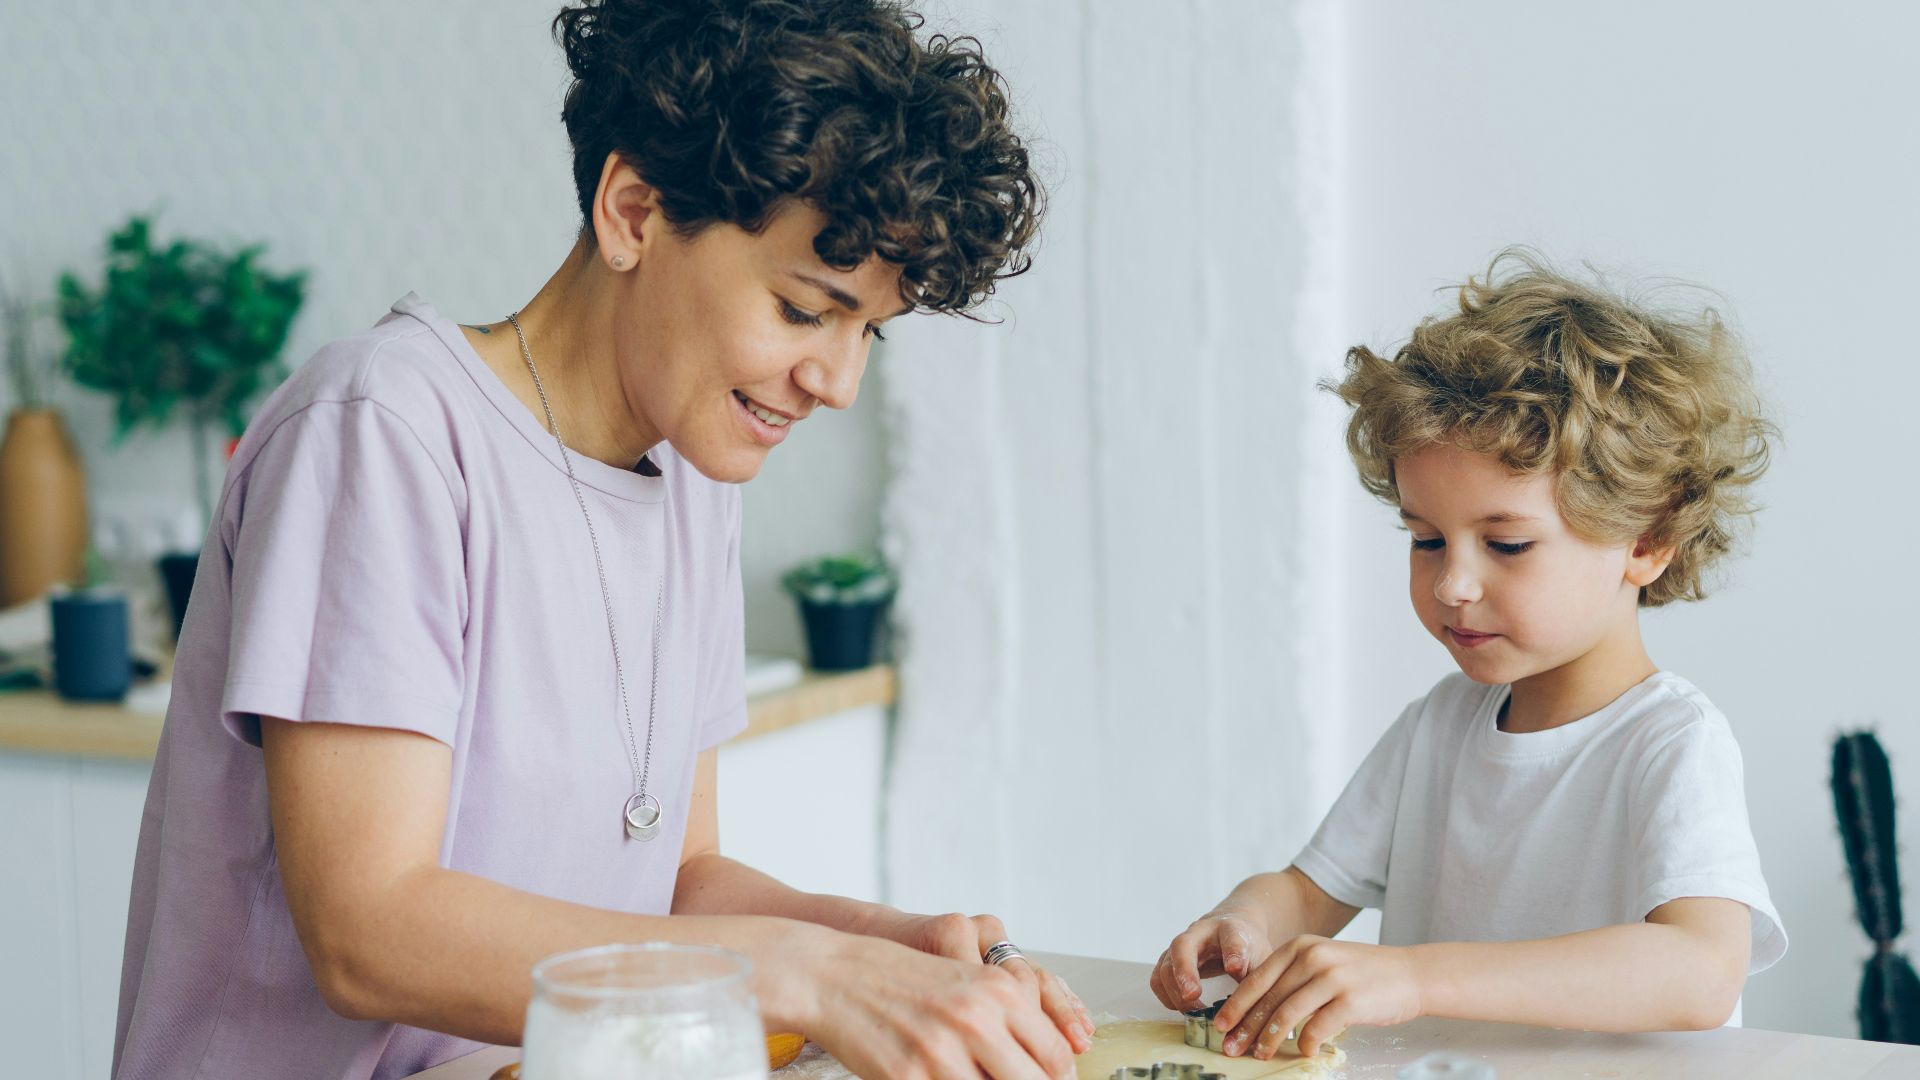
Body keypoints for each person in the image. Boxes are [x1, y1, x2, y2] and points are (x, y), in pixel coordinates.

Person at [112, 3, 1089, 1078]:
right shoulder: (382, 431)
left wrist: (880, 945)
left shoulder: (692, 476)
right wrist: (805, 976)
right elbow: (368, 932)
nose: (838, 382)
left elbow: (677, 882)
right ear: (632, 211)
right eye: (806, 310)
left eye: (870, 330)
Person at [1150, 252, 1786, 1061]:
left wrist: (1415, 978)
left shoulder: (1671, 742)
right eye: (1424, 539)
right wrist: (1245, 924)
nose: (1452, 583)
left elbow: (1701, 972)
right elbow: (1309, 892)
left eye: (1508, 544)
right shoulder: (1440, 728)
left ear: (1648, 539)